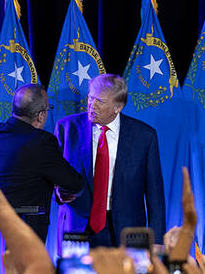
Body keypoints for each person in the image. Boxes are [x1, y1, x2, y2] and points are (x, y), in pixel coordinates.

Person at [54, 74, 166, 246]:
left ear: (118, 107)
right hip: (78, 228)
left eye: (100, 101)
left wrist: (157, 241)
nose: (92, 105)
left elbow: (154, 193)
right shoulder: (67, 128)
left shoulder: (144, 136)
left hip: (126, 231)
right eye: (91, 98)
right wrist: (58, 190)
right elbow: (53, 172)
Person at [0, 84, 86, 240]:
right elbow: (74, 183)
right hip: (25, 233)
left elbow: (23, 169)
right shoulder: (41, 141)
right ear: (41, 116)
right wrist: (61, 187)